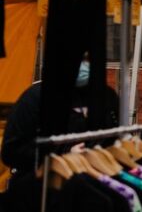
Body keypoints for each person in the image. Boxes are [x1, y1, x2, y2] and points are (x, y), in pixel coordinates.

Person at [1, 58, 119, 212]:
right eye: (80, 57)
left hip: (92, 188)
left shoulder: (106, 97)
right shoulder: (36, 98)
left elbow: (115, 140)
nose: (84, 64)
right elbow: (11, 152)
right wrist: (63, 155)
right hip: (42, 193)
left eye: (89, 58)